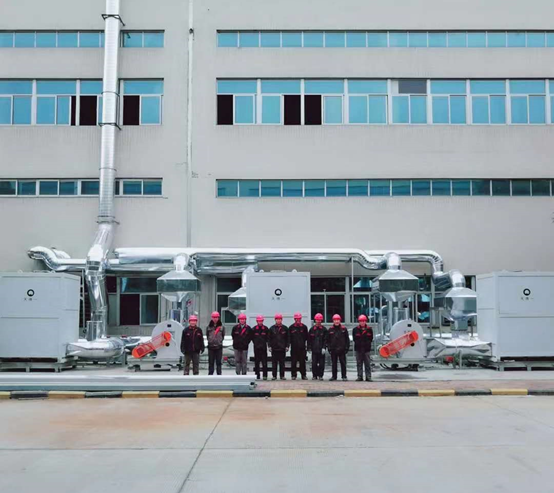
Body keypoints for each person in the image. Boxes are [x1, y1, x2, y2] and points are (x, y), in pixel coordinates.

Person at [327, 314, 350, 381]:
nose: (336, 321)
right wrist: (329, 348)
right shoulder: (330, 329)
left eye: (338, 320)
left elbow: (347, 339)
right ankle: (334, 376)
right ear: (333, 321)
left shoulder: (344, 329)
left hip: (342, 350)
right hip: (333, 350)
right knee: (334, 364)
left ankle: (344, 376)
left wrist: (346, 348)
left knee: (343, 363)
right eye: (335, 320)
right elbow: (328, 340)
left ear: (340, 321)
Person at [353, 314, 373, 382]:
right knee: (359, 363)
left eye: (364, 321)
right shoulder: (355, 330)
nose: (362, 322)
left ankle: (368, 377)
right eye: (361, 321)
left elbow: (371, 338)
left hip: (366, 350)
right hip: (358, 349)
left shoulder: (369, 329)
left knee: (367, 364)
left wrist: (367, 346)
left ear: (366, 321)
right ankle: (360, 376)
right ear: (359, 322)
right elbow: (355, 339)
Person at [307, 313, 328, 380]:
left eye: (319, 320)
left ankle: (320, 376)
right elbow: (309, 340)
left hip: (321, 350)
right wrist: (309, 348)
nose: (318, 321)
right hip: (314, 350)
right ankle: (314, 375)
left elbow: (325, 340)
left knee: (321, 364)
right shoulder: (312, 330)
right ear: (315, 320)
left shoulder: (324, 330)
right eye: (317, 320)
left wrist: (324, 347)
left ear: (321, 320)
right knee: (314, 364)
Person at [269, 313, 289, 380]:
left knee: (282, 363)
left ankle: (282, 376)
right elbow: (269, 338)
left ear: (281, 320)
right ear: (275, 320)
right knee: (274, 363)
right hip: (274, 349)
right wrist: (269, 346)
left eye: (280, 319)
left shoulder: (285, 328)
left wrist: (287, 346)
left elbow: (288, 338)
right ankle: (274, 376)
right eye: (277, 319)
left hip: (282, 349)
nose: (278, 320)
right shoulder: (271, 328)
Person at [289, 312, 308, 380]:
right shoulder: (291, 327)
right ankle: (293, 375)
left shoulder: (304, 327)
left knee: (302, 362)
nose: (298, 320)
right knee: (293, 362)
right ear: (294, 319)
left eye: (299, 319)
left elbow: (306, 337)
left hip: (302, 348)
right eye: (296, 319)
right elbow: (289, 338)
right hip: (294, 348)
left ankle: (303, 375)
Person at [206, 311, 225, 376]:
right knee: (211, 362)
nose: (215, 319)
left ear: (218, 318)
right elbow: (207, 335)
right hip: (211, 347)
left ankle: (219, 374)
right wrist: (210, 341)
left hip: (219, 347)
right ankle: (210, 375)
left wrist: (219, 341)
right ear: (212, 318)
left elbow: (223, 336)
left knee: (219, 362)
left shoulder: (222, 327)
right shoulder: (208, 327)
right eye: (214, 317)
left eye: (216, 317)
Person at [251, 315, 269, 380]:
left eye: (261, 321)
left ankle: (265, 376)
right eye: (259, 321)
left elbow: (268, 338)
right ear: (257, 321)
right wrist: (256, 343)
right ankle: (257, 375)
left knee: (264, 363)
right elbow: (252, 338)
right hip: (256, 348)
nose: (260, 322)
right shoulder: (254, 329)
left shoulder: (266, 329)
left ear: (263, 321)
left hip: (263, 348)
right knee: (257, 363)